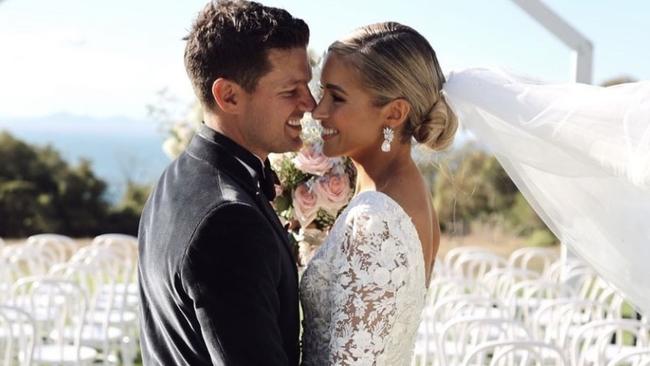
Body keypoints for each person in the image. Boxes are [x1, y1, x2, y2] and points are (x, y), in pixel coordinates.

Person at [137, 1, 315, 365]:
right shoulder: (228, 222)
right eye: (290, 91)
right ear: (229, 96)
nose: (309, 103)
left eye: (308, 86)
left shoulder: (176, 178)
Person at [300, 22, 458, 365]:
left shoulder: (377, 219)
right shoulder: (398, 190)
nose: (318, 110)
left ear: (395, 113)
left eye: (337, 97)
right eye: (322, 91)